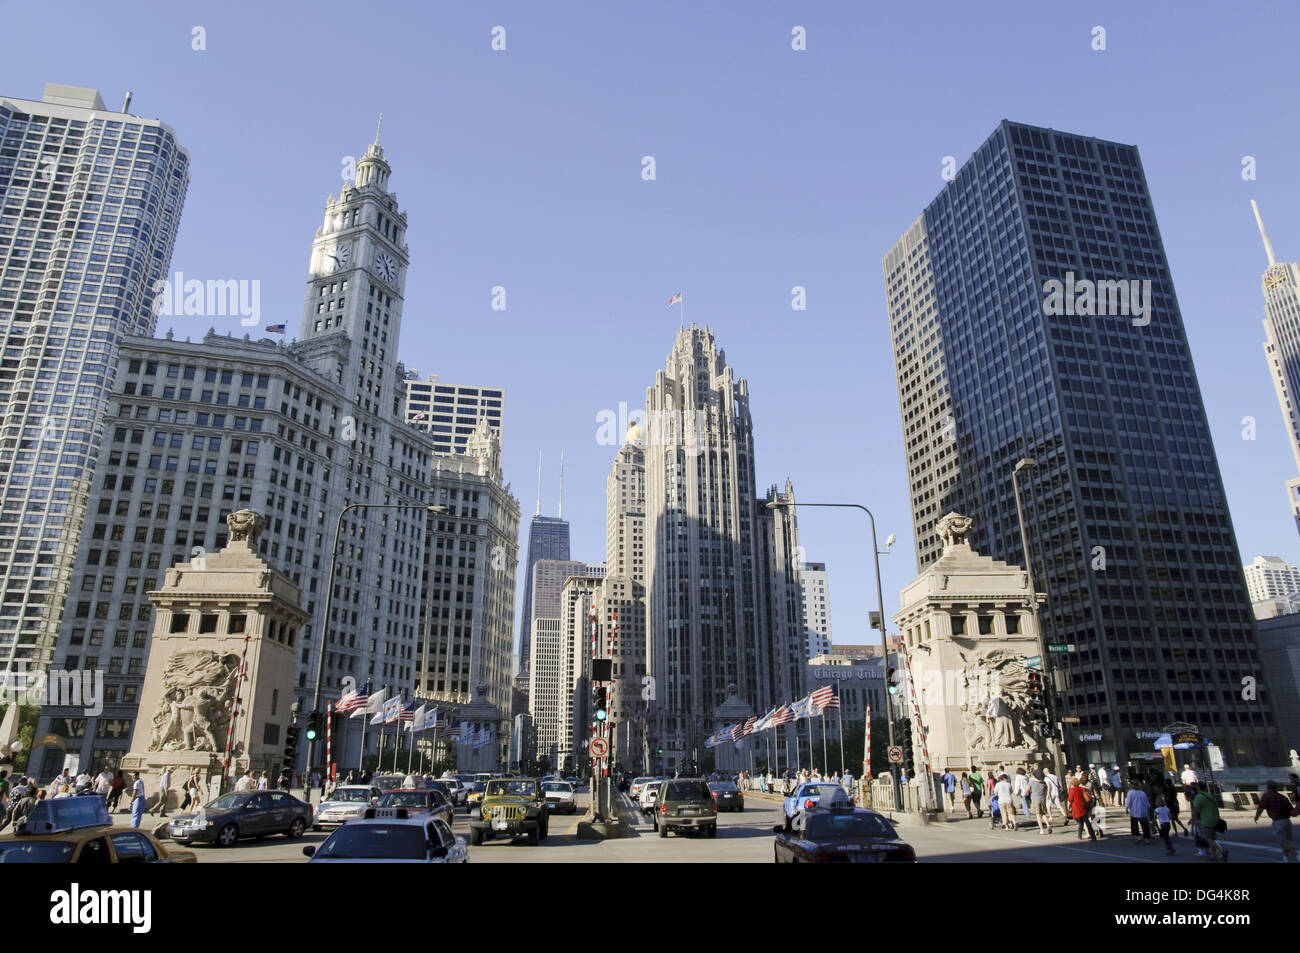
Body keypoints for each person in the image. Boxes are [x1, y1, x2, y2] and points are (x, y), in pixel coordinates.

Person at [1254, 781, 1297, 863]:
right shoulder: (1283, 797)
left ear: (1268, 788)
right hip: (1287, 821)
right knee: (1286, 842)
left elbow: (1260, 808)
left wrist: (1256, 817)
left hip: (1278, 822)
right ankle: (1285, 858)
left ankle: (1297, 856)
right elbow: (1292, 812)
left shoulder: (1267, 796)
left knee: (1284, 842)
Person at [1191, 782, 1227, 862]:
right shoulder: (1209, 795)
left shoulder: (1199, 797)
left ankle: (1221, 851)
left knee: (1206, 837)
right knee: (1212, 838)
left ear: (1198, 788)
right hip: (1214, 818)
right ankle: (1213, 855)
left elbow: (1196, 810)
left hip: (1206, 819)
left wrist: (1193, 819)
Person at [1068, 777, 1097, 841]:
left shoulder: (1072, 790)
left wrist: (1068, 807)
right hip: (1083, 806)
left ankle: (1080, 835)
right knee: (1086, 822)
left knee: (1080, 822)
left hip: (1076, 807)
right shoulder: (1081, 789)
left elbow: (1070, 799)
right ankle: (1092, 836)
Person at [1030, 768, 1051, 834]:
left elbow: (1027, 789)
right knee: (1043, 813)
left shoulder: (1032, 782)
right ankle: (1048, 824)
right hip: (1042, 799)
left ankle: (1041, 830)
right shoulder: (1043, 783)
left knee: (1038, 815)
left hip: (1035, 799)